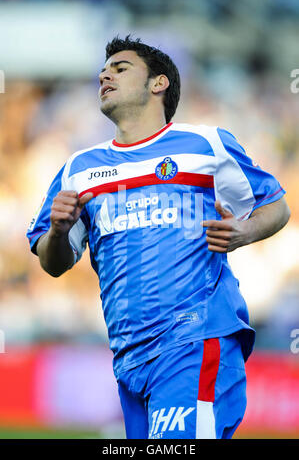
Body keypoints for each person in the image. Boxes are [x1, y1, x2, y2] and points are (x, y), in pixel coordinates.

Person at [26, 35, 290, 439]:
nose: (104, 74)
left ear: (158, 83)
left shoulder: (206, 144)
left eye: (120, 67)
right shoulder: (79, 168)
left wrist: (244, 230)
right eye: (104, 69)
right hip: (129, 358)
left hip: (194, 338)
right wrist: (59, 232)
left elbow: (276, 206)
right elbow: (54, 263)